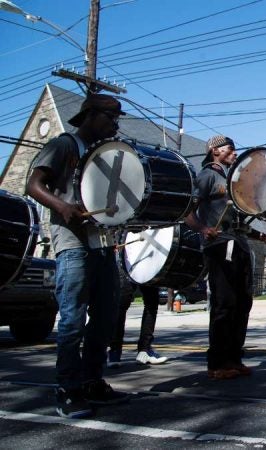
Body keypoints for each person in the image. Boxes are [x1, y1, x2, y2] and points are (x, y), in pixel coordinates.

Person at [26, 93, 130, 418]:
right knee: (73, 317)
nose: (115, 124)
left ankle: (92, 381)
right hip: (71, 241)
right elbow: (33, 184)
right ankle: (67, 388)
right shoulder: (64, 144)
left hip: (101, 242)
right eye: (110, 117)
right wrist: (62, 206)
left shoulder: (104, 153)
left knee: (105, 316)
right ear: (90, 115)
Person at [184, 135, 266, 380]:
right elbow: (188, 212)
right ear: (215, 151)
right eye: (230, 149)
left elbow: (240, 224)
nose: (235, 153)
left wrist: (264, 237)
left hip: (238, 245)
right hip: (218, 245)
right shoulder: (207, 177)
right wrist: (203, 229)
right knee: (224, 304)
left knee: (242, 304)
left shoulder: (232, 181)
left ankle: (233, 359)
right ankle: (216, 363)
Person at [108, 281, 168, 367]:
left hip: (138, 269)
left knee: (150, 304)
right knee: (122, 303)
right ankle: (116, 352)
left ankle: (142, 351)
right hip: (130, 269)